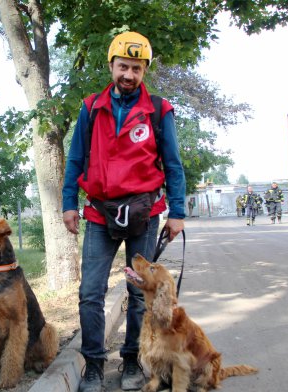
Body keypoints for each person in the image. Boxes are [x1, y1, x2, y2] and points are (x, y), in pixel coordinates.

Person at [62, 31, 186, 392]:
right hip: (100, 214)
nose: (128, 75)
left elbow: (173, 165)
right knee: (90, 292)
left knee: (137, 294)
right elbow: (75, 160)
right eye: (122, 67)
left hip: (144, 217)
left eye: (136, 68)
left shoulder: (160, 111)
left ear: (144, 70)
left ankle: (131, 360)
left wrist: (177, 211)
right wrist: (70, 204)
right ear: (111, 66)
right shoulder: (90, 108)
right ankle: (94, 365)